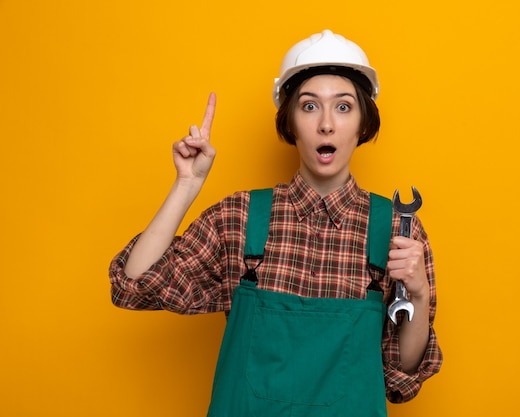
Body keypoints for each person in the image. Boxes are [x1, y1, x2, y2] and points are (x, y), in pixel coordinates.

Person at [109, 29, 442, 416]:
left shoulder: (396, 229)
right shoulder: (241, 217)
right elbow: (132, 286)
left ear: (363, 124)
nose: (327, 125)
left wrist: (417, 295)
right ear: (290, 123)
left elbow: (401, 374)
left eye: (344, 107)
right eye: (309, 106)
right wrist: (186, 184)